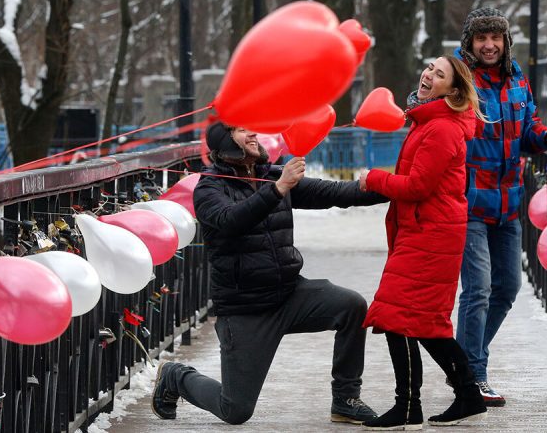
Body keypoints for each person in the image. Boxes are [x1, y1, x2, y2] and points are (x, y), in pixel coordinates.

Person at [150, 121, 386, 426]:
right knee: (235, 410)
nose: (252, 134)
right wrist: (277, 189)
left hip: (290, 294)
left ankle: (345, 398)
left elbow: (335, 192)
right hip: (246, 308)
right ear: (225, 141)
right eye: (241, 130)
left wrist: (395, 188)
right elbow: (231, 220)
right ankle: (175, 376)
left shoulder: (270, 176)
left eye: (252, 128)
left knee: (351, 306)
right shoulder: (209, 187)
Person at [455, 7, 547, 407]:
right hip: (468, 200)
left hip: (507, 203)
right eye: (480, 38)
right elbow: (419, 106)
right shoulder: (459, 78)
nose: (488, 45)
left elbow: (527, 130)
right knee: (478, 290)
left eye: (495, 38)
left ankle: (462, 360)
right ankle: (472, 373)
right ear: (470, 43)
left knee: (507, 287)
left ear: (505, 42)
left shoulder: (517, 77)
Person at [357, 56, 488, 430]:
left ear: (454, 91)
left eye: (440, 74)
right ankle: (466, 394)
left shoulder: (442, 129)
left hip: (432, 234)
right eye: (430, 67)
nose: (429, 75)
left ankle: (411, 405)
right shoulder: (427, 123)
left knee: (399, 317)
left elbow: (417, 186)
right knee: (419, 320)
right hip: (423, 231)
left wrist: (374, 179)